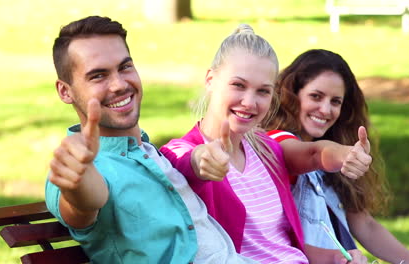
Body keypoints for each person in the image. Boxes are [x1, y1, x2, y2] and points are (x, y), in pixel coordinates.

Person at [45, 15, 258, 264]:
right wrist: (78, 180)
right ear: (65, 91)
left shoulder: (147, 152)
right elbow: (84, 204)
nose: (119, 84)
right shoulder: (78, 166)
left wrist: (201, 158)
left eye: (125, 67)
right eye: (98, 76)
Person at [160, 25, 371, 264]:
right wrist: (202, 160)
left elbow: (314, 153)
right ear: (210, 80)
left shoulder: (265, 148)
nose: (249, 102)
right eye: (238, 85)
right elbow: (189, 162)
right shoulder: (179, 151)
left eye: (263, 91)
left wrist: (346, 154)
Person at [264, 49, 409, 264]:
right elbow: (315, 154)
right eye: (316, 96)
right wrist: (344, 154)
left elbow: (365, 225)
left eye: (336, 101)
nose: (325, 109)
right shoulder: (276, 142)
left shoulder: (331, 159)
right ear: (292, 94)